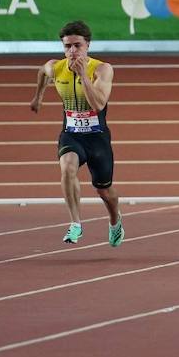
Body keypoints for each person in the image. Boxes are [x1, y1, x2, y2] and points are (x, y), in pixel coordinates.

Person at [29, 20, 123, 247]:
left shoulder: (102, 69)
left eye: (77, 46)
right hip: (71, 134)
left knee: (104, 190)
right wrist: (38, 96)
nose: (72, 51)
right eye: (67, 46)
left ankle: (115, 220)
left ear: (87, 46)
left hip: (97, 138)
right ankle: (76, 223)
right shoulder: (56, 67)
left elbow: (99, 104)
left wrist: (82, 76)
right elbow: (43, 72)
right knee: (67, 168)